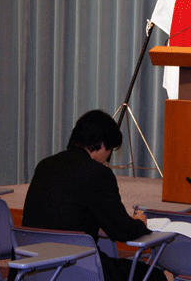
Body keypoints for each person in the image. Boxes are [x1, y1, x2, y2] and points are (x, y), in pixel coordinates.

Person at [17, 110, 167, 281]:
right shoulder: (98, 174)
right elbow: (123, 231)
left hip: (35, 268)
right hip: (78, 269)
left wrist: (97, 224)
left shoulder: (45, 165)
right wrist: (140, 222)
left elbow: (62, 214)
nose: (108, 157)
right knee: (154, 276)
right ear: (102, 145)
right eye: (110, 149)